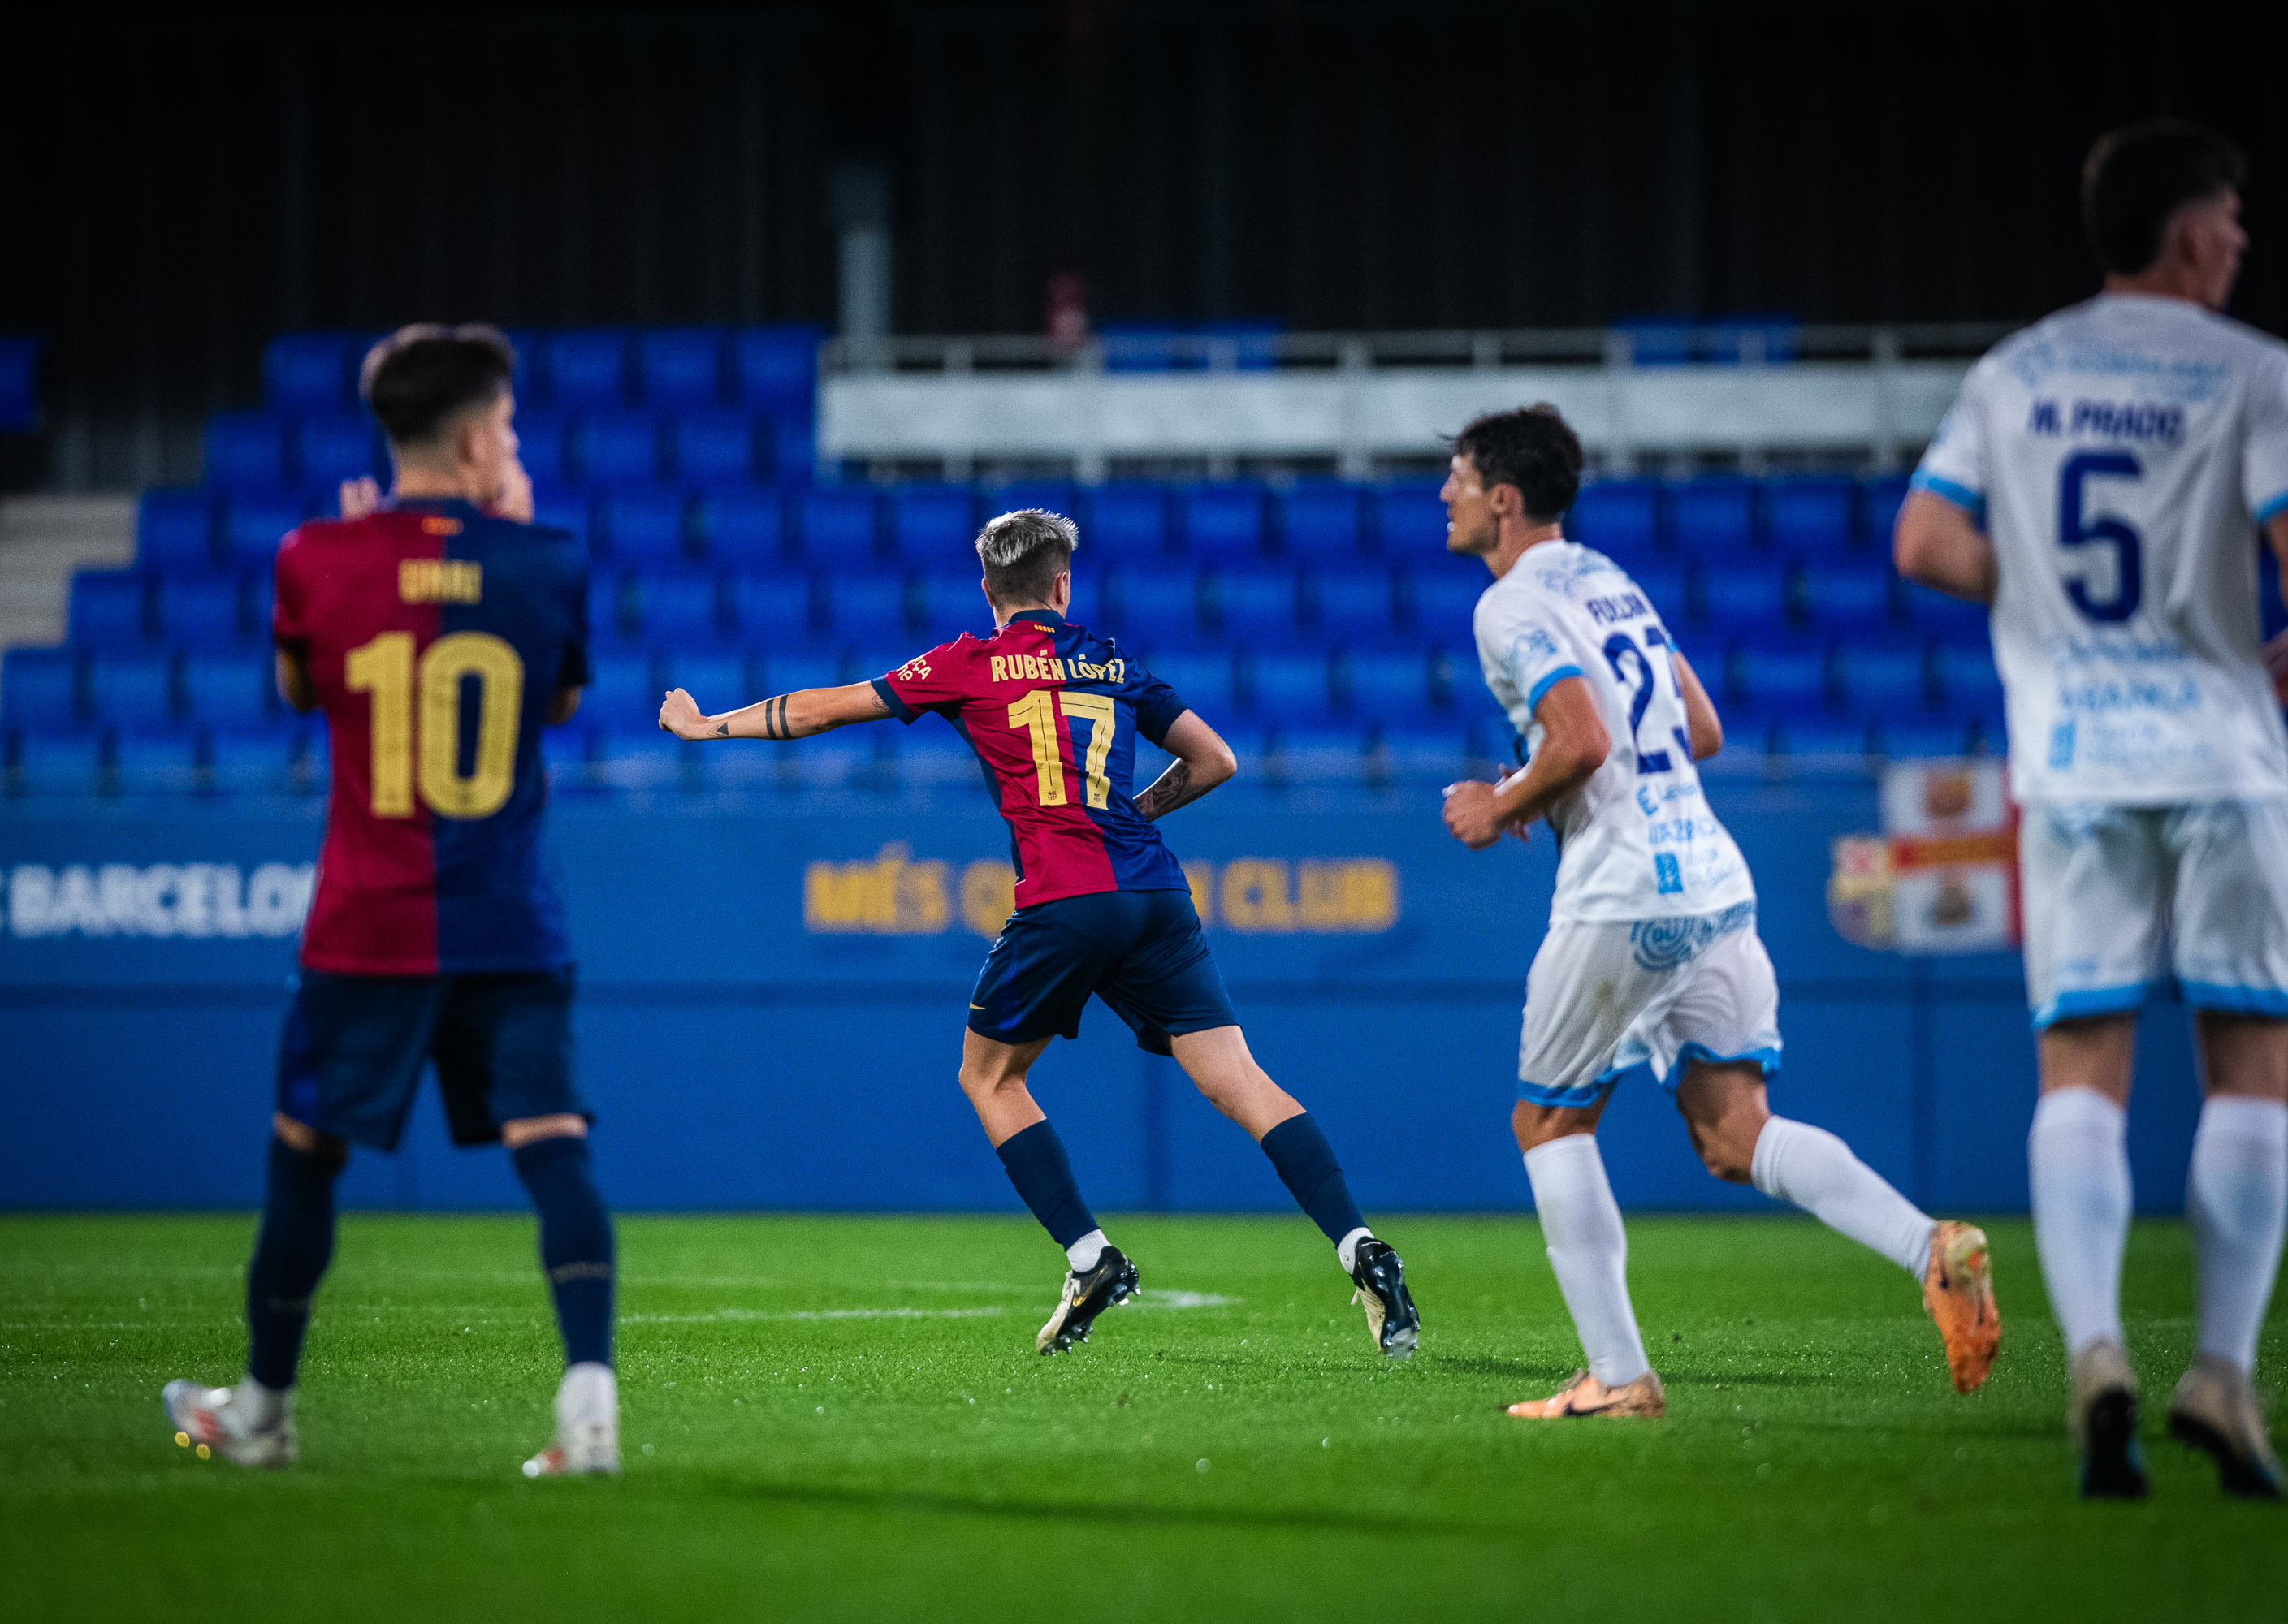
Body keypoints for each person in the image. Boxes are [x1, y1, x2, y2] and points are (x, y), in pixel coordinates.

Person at [655, 508, 1421, 1357]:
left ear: (989, 590)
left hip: (1062, 898)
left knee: (987, 1076)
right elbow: (1217, 760)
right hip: (1155, 892)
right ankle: (1361, 1245)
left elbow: (826, 711)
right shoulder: (1112, 658)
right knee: (1239, 1077)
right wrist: (1135, 812)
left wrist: (704, 725)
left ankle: (1091, 1256)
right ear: (1064, 584)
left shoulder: (965, 661)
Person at [1440, 404, 2000, 1419]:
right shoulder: (1612, 580)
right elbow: (1699, 725)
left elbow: (1581, 742)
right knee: (1737, 1136)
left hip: (1622, 891)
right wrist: (1546, 778)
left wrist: (1502, 800)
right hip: (1709, 877)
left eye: (1460, 479)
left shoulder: (1508, 604)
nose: (1447, 494)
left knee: (1549, 1118)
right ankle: (1932, 1247)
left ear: (1504, 500)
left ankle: (1619, 1376)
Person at [1897, 119, 2288, 1500]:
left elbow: (1926, 540)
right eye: (2233, 225)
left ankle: (2102, 1356)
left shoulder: (2020, 373)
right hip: (2224, 753)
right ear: (2189, 233)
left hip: (2067, 754)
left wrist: (2053, 610)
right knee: (2253, 1060)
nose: (2241, 245)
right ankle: (2224, 1376)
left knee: (2083, 1068)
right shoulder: (2251, 374)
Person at [162, 324, 621, 1478]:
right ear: (476, 440)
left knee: (304, 1153)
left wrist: (371, 555)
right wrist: (501, 539)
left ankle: (263, 1412)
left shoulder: (313, 556)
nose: (510, 442)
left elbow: (299, 685)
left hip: (365, 922)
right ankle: (589, 1410)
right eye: (507, 427)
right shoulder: (547, 559)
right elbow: (555, 709)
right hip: (510, 917)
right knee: (552, 1147)